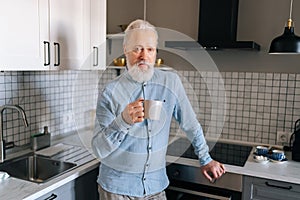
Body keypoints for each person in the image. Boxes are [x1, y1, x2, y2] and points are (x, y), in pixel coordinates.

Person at [92, 19, 226, 200]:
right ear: (125, 49)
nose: (143, 56)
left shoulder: (171, 82)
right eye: (137, 48)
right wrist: (122, 121)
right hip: (116, 190)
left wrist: (206, 159)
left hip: (155, 188)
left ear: (155, 52)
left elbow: (190, 124)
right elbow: (98, 149)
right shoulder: (110, 92)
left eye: (150, 49)